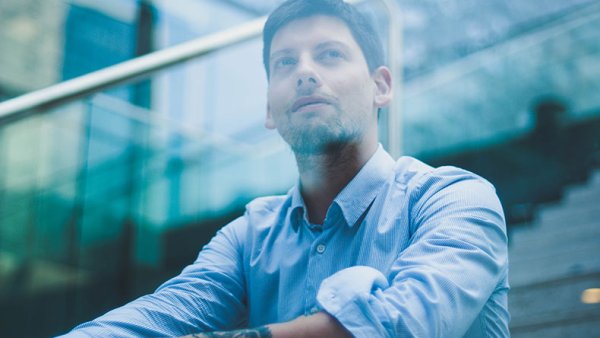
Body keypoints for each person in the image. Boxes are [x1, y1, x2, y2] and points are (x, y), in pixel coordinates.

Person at [59, 0, 509, 337]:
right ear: (270, 110)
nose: (305, 73)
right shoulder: (249, 234)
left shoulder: (456, 199)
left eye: (330, 54)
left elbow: (400, 323)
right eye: (285, 62)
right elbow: (163, 315)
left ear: (381, 86)